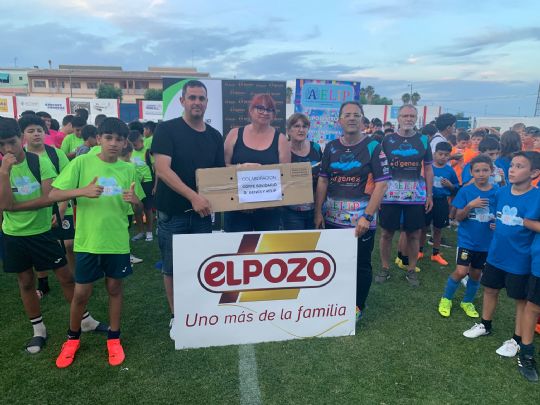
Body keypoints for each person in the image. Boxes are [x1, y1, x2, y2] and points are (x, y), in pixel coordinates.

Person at [0, 118, 103, 356]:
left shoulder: (40, 162)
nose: (8, 149)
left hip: (43, 232)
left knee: (66, 277)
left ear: (21, 139)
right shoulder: (2, 167)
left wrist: (15, 207)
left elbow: (49, 198)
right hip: (13, 234)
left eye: (12, 142)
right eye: (2, 144)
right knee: (26, 282)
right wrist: (5, 172)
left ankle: (85, 320)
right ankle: (39, 330)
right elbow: (5, 204)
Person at [50, 117, 143, 368]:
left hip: (117, 242)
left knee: (115, 289)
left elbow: (138, 210)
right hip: (88, 241)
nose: (114, 143)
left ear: (125, 143)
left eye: (119, 139)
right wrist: (81, 192)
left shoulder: (128, 168)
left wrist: (136, 202)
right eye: (109, 138)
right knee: (82, 293)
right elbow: (54, 193)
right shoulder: (82, 162)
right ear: (99, 138)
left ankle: (114, 338)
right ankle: (72, 339)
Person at [151, 80, 225, 339]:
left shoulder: (215, 136)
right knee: (171, 267)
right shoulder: (167, 130)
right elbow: (162, 169)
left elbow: (218, 176)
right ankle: (177, 317)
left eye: (201, 98)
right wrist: (193, 196)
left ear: (207, 103)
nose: (197, 102)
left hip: (203, 216)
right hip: (173, 214)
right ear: (182, 101)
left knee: (199, 266)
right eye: (192, 97)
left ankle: (197, 312)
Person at [315, 101, 389, 320]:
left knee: (361, 264)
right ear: (339, 120)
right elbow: (322, 181)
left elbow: (382, 184)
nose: (351, 118)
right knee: (333, 261)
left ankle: (357, 306)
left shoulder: (374, 146)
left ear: (363, 120)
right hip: (332, 220)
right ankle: (336, 300)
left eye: (356, 115)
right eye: (347, 115)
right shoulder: (331, 147)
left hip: (361, 222)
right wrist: (318, 212)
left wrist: (367, 216)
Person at [463, 152, 540, 360]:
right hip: (496, 254)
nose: (512, 169)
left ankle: (516, 339)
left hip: (521, 258)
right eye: (512, 165)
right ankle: (485, 324)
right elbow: (496, 216)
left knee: (521, 300)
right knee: (490, 289)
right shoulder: (501, 192)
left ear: (534, 173)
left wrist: (521, 222)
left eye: (519, 166)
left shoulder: (537, 197)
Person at [376, 104, 434, 287]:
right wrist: (377, 194)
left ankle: (411, 269)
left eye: (411, 116)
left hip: (415, 194)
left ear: (416, 118)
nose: (408, 119)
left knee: (414, 233)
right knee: (386, 233)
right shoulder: (387, 140)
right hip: (390, 194)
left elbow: (429, 168)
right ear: (398, 119)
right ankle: (385, 268)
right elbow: (380, 167)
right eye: (404, 116)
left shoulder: (423, 140)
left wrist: (430, 194)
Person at [20, 115, 76, 290]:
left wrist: (61, 208)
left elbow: (69, 181)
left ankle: (75, 277)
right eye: (31, 131)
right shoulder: (20, 155)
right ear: (23, 134)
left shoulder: (56, 153)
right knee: (39, 246)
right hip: (37, 210)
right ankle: (43, 281)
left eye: (39, 130)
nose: (36, 134)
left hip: (61, 205)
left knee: (68, 244)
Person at [438, 155, 497, 318]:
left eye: (485, 170)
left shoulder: (496, 192)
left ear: (491, 171)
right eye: (477, 170)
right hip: (467, 240)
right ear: (471, 172)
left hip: (486, 242)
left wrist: (497, 223)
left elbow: (501, 214)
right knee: (461, 271)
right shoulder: (466, 191)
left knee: (476, 274)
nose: (481, 174)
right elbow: (458, 217)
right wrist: (470, 205)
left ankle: (467, 302)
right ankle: (446, 298)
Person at [223, 94, 290, 232]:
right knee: (236, 251)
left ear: (273, 115)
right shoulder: (234, 134)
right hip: (237, 210)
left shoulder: (281, 139)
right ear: (251, 110)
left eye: (269, 109)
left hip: (269, 211)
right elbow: (221, 168)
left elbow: (286, 176)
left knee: (267, 252)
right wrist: (240, 168)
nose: (265, 112)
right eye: (260, 108)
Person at [419, 142, 459, 266]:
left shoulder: (450, 170)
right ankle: (419, 251)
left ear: (449, 156)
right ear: (434, 154)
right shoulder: (428, 167)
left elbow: (456, 186)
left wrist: (450, 185)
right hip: (426, 200)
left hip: (441, 202)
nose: (443, 157)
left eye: (446, 155)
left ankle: (435, 253)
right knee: (423, 228)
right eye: (440, 154)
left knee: (438, 229)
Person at [282, 113, 321, 230]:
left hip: (314, 209)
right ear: (288, 130)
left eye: (304, 126)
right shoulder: (283, 150)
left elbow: (322, 178)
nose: (301, 130)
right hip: (291, 211)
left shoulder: (316, 148)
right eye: (296, 126)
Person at [128, 130, 154, 242]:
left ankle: (149, 232)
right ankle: (140, 232)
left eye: (136, 144)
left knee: (148, 209)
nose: (134, 146)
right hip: (135, 183)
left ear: (141, 141)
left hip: (147, 183)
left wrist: (155, 186)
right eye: (132, 144)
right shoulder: (130, 152)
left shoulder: (148, 152)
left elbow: (156, 169)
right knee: (137, 209)